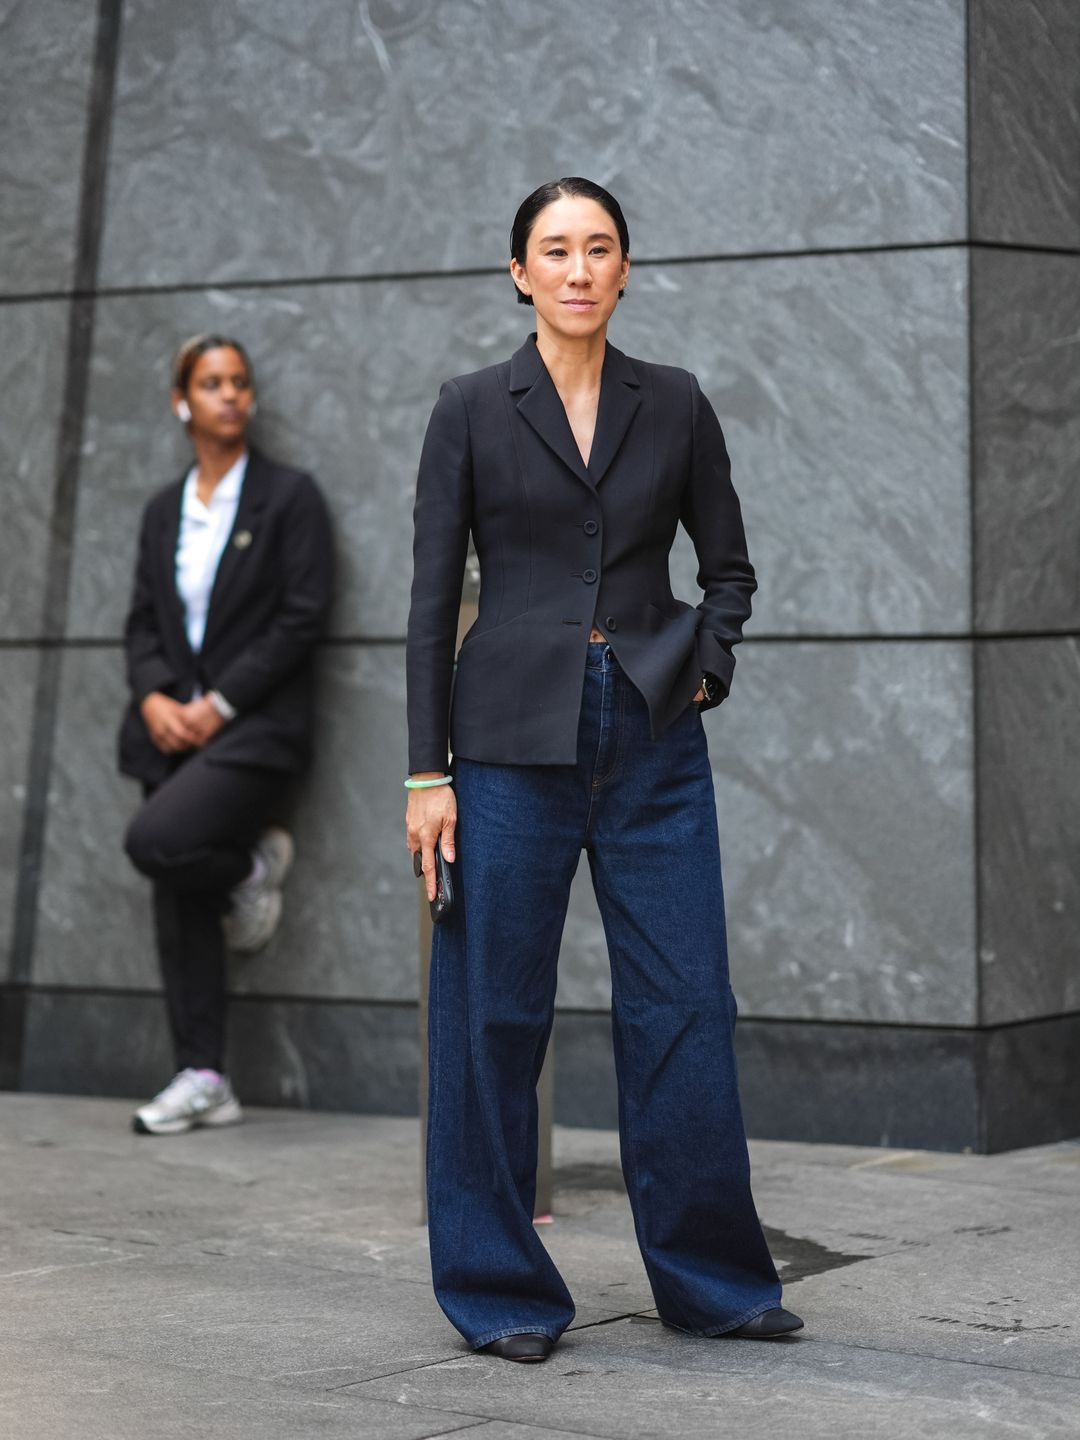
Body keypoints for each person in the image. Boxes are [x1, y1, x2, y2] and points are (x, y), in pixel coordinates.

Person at [406, 178, 802, 1363]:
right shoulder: (470, 407)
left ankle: (716, 1283)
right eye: (554, 251)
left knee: (683, 1005)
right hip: (505, 750)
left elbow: (728, 569)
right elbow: (430, 605)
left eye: (600, 248)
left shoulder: (674, 404)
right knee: (491, 1017)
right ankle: (500, 1292)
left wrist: (702, 671)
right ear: (518, 272)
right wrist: (426, 776)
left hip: (651, 738)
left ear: (626, 269)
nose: (578, 269)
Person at [119, 333, 334, 1136]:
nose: (230, 395)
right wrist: (153, 699)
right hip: (171, 730)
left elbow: (303, 616)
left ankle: (250, 862)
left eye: (240, 381)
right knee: (180, 897)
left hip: (256, 731)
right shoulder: (161, 512)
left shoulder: (289, 497)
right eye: (212, 383)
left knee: (155, 842)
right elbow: (142, 620)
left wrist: (222, 704)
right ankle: (205, 1073)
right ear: (183, 402)